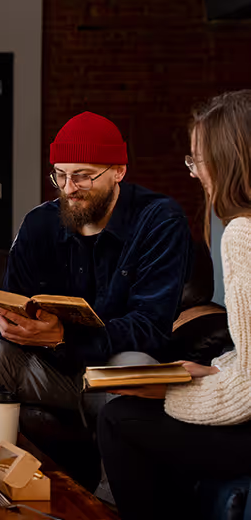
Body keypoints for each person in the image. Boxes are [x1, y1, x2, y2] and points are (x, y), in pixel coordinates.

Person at [0, 111, 192, 420]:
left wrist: (64, 337)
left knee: (131, 363)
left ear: (118, 171)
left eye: (83, 175)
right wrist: (13, 324)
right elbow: (16, 300)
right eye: (60, 174)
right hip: (51, 370)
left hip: (112, 369)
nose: (69, 188)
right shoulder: (38, 224)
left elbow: (150, 326)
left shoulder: (159, 220)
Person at [98, 91, 251, 520]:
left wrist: (170, 392)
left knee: (120, 420)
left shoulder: (242, 233)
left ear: (230, 160)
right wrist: (218, 369)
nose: (195, 173)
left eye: (199, 160)